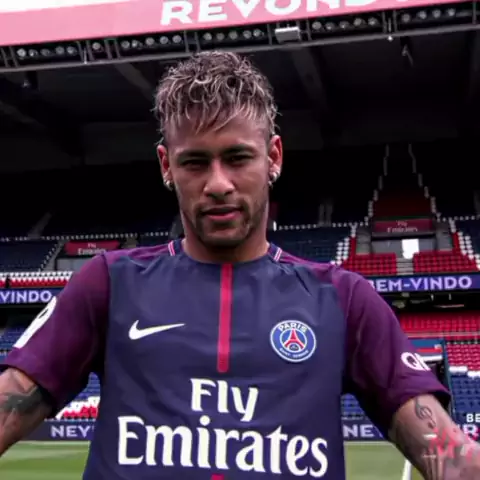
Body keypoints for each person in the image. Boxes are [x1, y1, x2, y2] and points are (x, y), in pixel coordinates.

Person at [0, 51, 477, 479]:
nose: (218, 184)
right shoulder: (109, 283)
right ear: (166, 166)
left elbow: (452, 457)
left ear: (273, 157)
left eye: (237, 158)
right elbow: (13, 397)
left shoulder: (345, 300)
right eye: (195, 163)